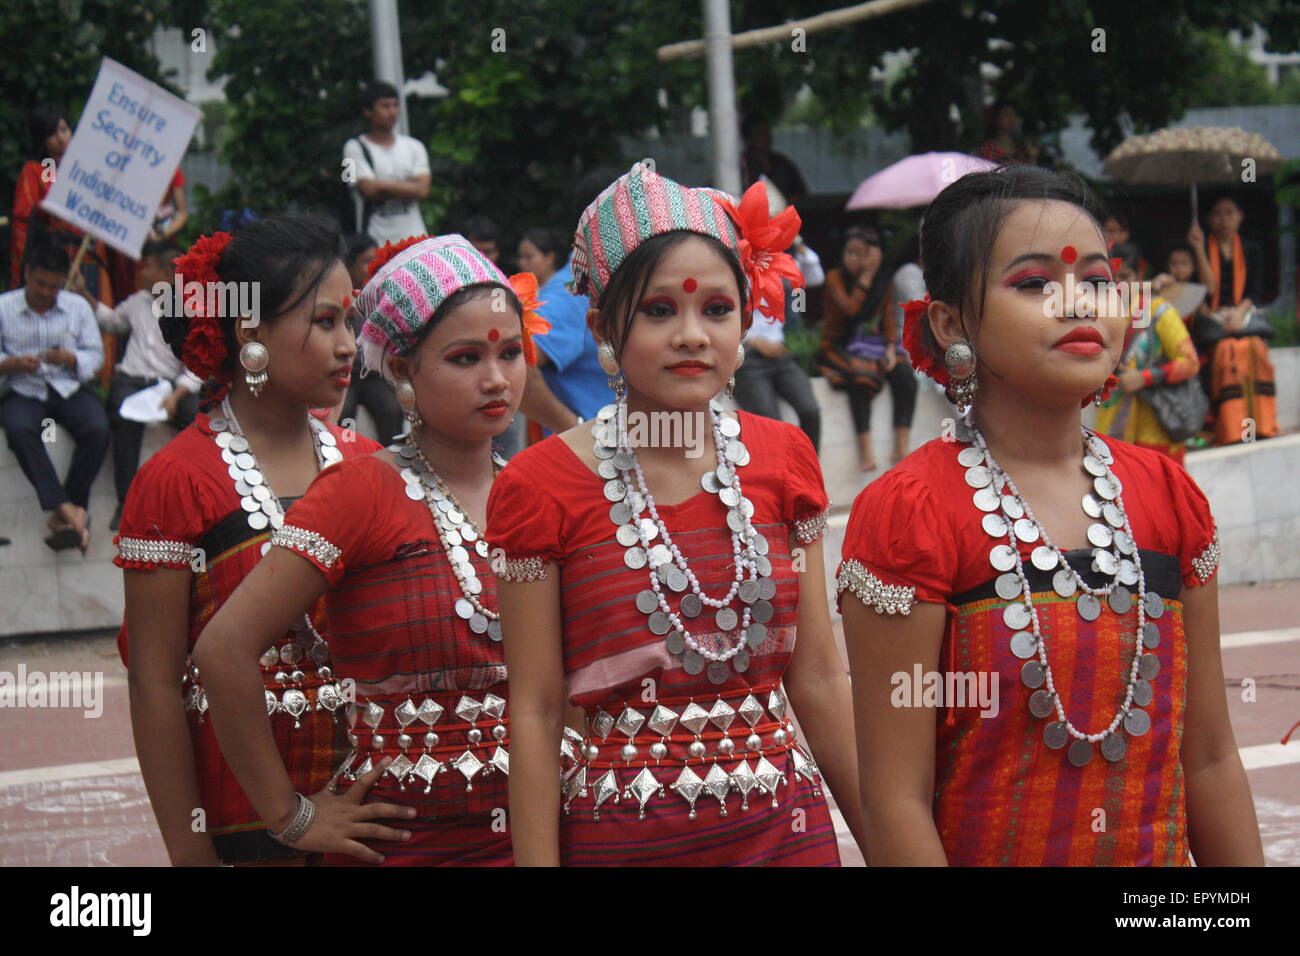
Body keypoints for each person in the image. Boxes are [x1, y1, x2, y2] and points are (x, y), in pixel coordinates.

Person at [839, 164, 1263, 866]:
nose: (1079, 304)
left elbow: (1212, 758)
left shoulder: (1169, 496)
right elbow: (895, 800)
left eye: (1097, 280)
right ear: (950, 322)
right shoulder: (912, 515)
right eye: (1034, 283)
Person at [488, 163, 865, 866]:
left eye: (716, 309)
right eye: (660, 310)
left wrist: (888, 845)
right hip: (626, 843)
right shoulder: (538, 486)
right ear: (602, 326)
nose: (692, 334)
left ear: (747, 319)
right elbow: (536, 711)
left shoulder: (784, 457)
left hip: (789, 836)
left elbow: (817, 676)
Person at [194, 235, 549, 865]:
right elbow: (222, 651)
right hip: (406, 846)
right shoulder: (360, 491)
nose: (496, 378)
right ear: (405, 369)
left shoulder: (538, 492)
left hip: (539, 832)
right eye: (465, 357)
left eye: (510, 353)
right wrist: (291, 818)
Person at [114, 216, 382, 866]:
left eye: (351, 321)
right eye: (325, 323)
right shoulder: (176, 482)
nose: (349, 345)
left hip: (374, 820)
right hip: (242, 828)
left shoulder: (369, 464)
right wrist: (190, 852)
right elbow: (155, 684)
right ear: (250, 332)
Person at [72, 240, 201, 530]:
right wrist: (83, 292)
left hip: (169, 387)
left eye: (150, 266)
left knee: (199, 421)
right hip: (130, 382)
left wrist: (176, 396)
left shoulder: (190, 311)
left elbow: (198, 367)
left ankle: (194, 499)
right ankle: (127, 504)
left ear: (168, 273)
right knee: (122, 418)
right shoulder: (137, 301)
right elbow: (113, 322)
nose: (143, 272)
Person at [0, 237, 108, 552]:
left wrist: (72, 359)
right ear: (27, 274)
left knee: (98, 429)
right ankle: (67, 511)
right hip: (23, 387)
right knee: (19, 429)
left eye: (53, 286)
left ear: (63, 282)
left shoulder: (77, 307)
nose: (46, 292)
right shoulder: (4, 306)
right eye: (40, 284)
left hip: (68, 386)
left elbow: (96, 355)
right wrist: (13, 363)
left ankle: (68, 512)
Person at [817, 227, 917, 471]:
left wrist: (892, 349)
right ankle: (866, 452)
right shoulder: (834, 278)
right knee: (862, 379)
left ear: (873, 256)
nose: (853, 258)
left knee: (905, 377)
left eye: (860, 253)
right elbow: (851, 310)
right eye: (849, 252)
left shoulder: (885, 283)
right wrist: (866, 276)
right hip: (837, 347)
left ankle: (901, 447)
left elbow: (889, 318)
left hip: (873, 347)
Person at [1187, 197, 1277, 445]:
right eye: (1217, 213)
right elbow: (1204, 290)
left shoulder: (1251, 249)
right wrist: (1197, 248)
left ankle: (1262, 424)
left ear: (1240, 216)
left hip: (1241, 314)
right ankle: (1230, 429)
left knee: (1253, 348)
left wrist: (1238, 313)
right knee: (1227, 351)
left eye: (1229, 212)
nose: (1224, 219)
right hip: (1212, 318)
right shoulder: (1201, 247)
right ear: (1208, 219)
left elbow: (1255, 293)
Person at [1095, 259, 1200, 463]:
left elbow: (1190, 362)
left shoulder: (1160, 311)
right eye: (1110, 279)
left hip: (1155, 430)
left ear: (1139, 278)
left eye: (1125, 277)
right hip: (1110, 432)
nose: (1118, 285)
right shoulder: (1096, 315)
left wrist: (1144, 377)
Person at [515, 225, 615, 438]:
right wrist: (577, 431)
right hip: (592, 457)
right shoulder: (575, 291)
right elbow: (516, 364)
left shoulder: (605, 280)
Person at [10, 104, 113, 303]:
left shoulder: (89, 169)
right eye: (52, 133)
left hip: (91, 255)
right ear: (41, 139)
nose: (61, 137)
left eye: (64, 129)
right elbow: (23, 220)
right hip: (55, 261)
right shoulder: (35, 170)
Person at [733, 247, 822, 450]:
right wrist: (753, 341)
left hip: (780, 356)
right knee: (770, 422)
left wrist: (799, 245)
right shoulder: (732, 269)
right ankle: (778, 476)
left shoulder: (776, 266)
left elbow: (815, 277)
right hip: (747, 358)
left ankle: (807, 470)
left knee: (810, 410)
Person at [343, 81, 431, 245]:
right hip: (375, 240)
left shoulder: (415, 146)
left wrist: (380, 185)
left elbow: (423, 190)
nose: (392, 112)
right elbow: (366, 189)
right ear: (368, 111)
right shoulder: (353, 147)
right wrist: (409, 186)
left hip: (415, 239)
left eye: (395, 105)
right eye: (385, 106)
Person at [338, 233, 402, 442]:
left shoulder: (383, 293)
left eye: (376, 260)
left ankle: (390, 460)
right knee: (344, 409)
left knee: (391, 407)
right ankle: (340, 459)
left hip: (372, 374)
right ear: (350, 265)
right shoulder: (339, 293)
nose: (373, 266)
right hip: (345, 371)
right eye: (367, 261)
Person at [740, 116, 808, 209]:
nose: (766, 137)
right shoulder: (741, 166)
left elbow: (800, 194)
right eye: (760, 133)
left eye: (767, 133)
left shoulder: (782, 163)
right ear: (748, 138)